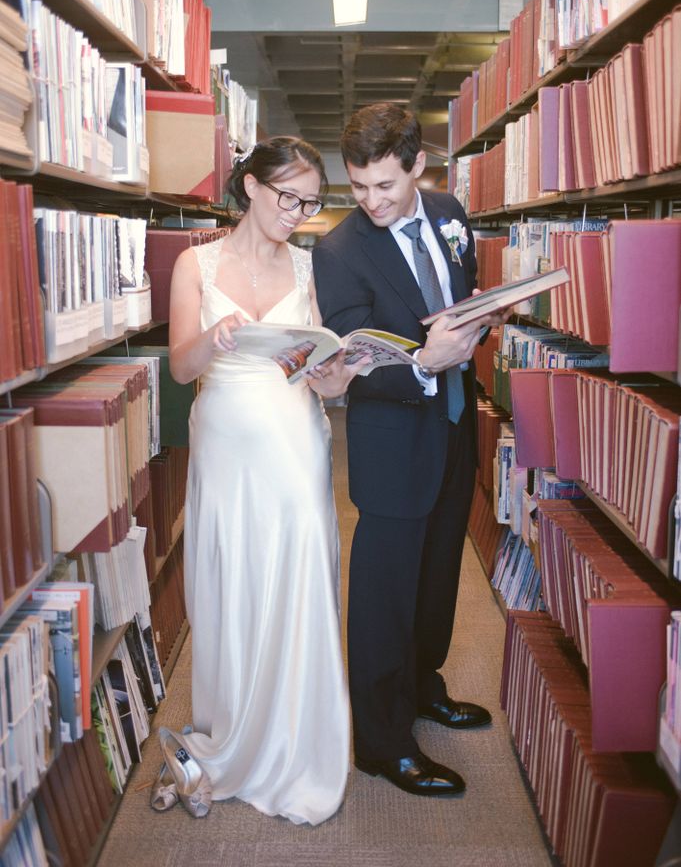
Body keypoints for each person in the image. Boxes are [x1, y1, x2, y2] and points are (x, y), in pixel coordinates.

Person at [157, 137, 364, 826]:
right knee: (231, 585)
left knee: (297, 578)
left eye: (310, 202)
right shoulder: (194, 263)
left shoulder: (312, 266)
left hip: (295, 442)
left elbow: (313, 372)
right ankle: (236, 735)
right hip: (224, 442)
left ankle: (297, 743)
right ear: (250, 186)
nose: (298, 213)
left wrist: (337, 374)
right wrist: (211, 338)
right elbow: (182, 370)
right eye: (288, 197)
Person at [312, 102, 498, 798]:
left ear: (419, 166)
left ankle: (424, 688)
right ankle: (383, 745)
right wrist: (423, 361)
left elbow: (456, 293)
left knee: (438, 582)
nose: (371, 202)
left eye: (385, 186)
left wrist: (479, 315)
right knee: (384, 598)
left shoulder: (449, 212)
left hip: (453, 429)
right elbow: (352, 361)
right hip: (391, 445)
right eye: (358, 187)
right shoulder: (337, 251)